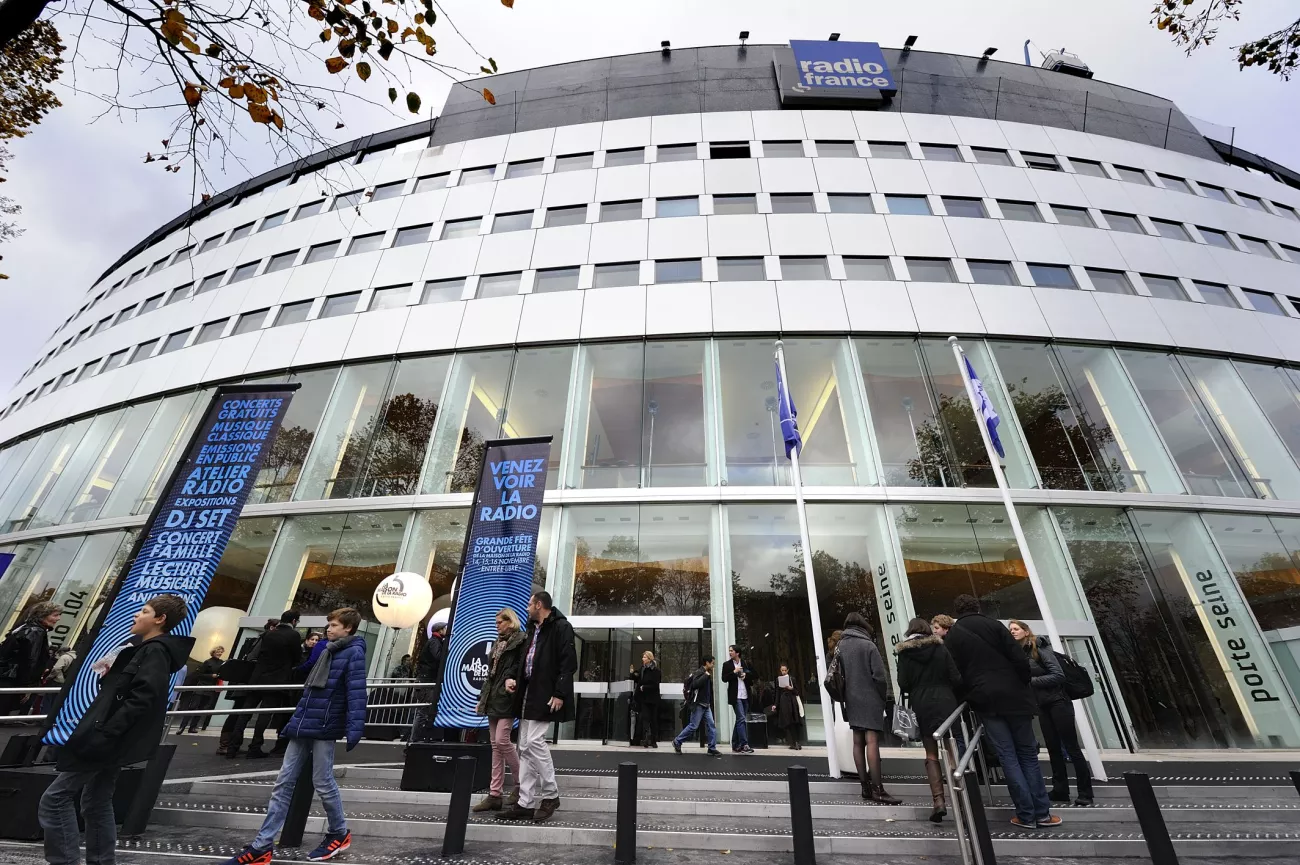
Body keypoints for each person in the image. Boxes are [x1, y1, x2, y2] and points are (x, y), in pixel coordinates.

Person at [40, 595, 191, 865]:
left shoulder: (154, 650)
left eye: (144, 611)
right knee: (96, 801)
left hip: (106, 737)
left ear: (160, 619)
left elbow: (143, 697)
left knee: (56, 798)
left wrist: (107, 733)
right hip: (113, 737)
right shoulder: (147, 648)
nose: (136, 615)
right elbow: (131, 693)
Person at [223, 608, 368, 864]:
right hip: (304, 721)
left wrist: (355, 728)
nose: (329, 629)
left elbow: (356, 692)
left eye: (334, 625)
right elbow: (310, 686)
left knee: (322, 781)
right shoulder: (326, 650)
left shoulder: (353, 652)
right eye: (329, 624)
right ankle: (262, 845)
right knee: (283, 782)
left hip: (324, 724)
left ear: (348, 628)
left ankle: (339, 831)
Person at [944, 595, 1060, 829]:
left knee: (1007, 755)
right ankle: (1043, 813)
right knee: (1027, 754)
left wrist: (969, 693)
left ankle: (1025, 814)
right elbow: (1019, 659)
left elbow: (954, 673)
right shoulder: (995, 625)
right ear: (977, 607)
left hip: (985, 700)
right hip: (1015, 697)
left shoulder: (954, 635)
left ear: (956, 611)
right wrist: (1022, 683)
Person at [499, 591, 576, 824]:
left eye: (529, 604)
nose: (527, 608)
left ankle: (551, 795)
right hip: (528, 694)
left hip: (545, 694)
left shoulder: (562, 627)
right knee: (523, 746)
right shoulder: (533, 629)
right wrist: (512, 677)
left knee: (533, 741)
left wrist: (560, 692)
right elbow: (524, 659)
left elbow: (568, 661)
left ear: (539, 605)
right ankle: (525, 802)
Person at [1008, 620, 1093, 807]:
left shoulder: (1039, 647)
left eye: (1016, 629)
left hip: (1058, 702)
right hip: (1042, 705)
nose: (1012, 632)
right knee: (1053, 749)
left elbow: (1058, 675)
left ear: (1025, 630)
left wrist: (1030, 682)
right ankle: (1060, 789)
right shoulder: (1019, 653)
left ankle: (1085, 793)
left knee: (1072, 748)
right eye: (1011, 630)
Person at [895, 617, 963, 823]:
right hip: (946, 700)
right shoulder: (940, 648)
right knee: (952, 751)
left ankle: (939, 802)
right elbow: (955, 676)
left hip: (922, 702)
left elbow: (903, 683)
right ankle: (961, 800)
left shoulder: (905, 653)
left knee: (931, 753)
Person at [836, 613, 900, 804]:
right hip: (870, 697)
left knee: (858, 741)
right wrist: (882, 697)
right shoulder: (868, 645)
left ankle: (865, 787)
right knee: (872, 741)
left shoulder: (841, 646)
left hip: (851, 698)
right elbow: (879, 677)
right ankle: (878, 789)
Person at [221, 610, 303, 759]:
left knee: (245, 712)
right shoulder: (293, 635)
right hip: (277, 679)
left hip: (257, 677)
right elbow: (297, 657)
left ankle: (233, 746)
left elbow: (255, 654)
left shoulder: (268, 634)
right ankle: (255, 746)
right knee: (265, 714)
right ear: (294, 621)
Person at [472, 607, 526, 813]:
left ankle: (522, 784)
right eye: (496, 623)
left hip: (507, 696)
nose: (497, 626)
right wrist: (482, 699)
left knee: (502, 740)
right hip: (494, 696)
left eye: (500, 622)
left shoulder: (521, 640)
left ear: (510, 621)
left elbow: (518, 669)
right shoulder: (497, 643)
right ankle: (495, 793)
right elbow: (491, 675)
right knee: (495, 745)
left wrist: (511, 681)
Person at [0, 602, 60, 715]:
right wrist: (27, 686)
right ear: (43, 615)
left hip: (8, 677)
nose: (58, 618)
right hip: (12, 679)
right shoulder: (36, 631)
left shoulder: (24, 628)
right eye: (55, 615)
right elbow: (30, 660)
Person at [672, 655, 721, 756]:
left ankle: (711, 748)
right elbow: (695, 684)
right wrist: (706, 675)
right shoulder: (700, 672)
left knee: (711, 726)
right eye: (712, 663)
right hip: (698, 704)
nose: (713, 665)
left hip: (706, 705)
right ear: (707, 663)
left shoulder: (706, 673)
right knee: (693, 726)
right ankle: (677, 741)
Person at [410, 621, 448, 742]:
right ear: (440, 630)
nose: (446, 631)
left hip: (426, 679)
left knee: (425, 711)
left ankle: (418, 739)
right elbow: (438, 657)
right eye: (445, 628)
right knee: (424, 711)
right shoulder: (435, 642)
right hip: (427, 681)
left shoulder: (434, 642)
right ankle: (414, 740)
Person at [179, 646, 226, 734]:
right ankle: (182, 726)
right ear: (213, 652)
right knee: (193, 707)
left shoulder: (222, 663)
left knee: (202, 708)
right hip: (202, 686)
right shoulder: (207, 662)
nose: (219, 653)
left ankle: (192, 727)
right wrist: (211, 676)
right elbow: (199, 674)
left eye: (221, 652)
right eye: (218, 651)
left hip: (210, 687)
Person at [722, 645, 756, 754]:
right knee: (741, 718)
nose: (730, 652)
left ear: (737, 653)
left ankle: (735, 744)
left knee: (739, 720)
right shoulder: (727, 665)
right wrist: (734, 672)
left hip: (745, 695)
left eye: (732, 651)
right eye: (729, 651)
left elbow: (756, 675)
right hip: (735, 696)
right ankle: (744, 744)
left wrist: (746, 675)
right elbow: (724, 678)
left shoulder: (746, 663)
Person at [631, 651, 661, 748]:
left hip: (653, 699)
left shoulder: (656, 670)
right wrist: (632, 673)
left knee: (653, 720)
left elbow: (656, 684)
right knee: (645, 719)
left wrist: (644, 687)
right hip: (644, 699)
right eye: (643, 657)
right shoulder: (642, 669)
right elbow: (637, 679)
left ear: (649, 659)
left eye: (644, 657)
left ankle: (653, 740)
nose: (642, 659)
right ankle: (646, 739)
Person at [774, 663, 803, 750]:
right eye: (782, 670)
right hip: (784, 701)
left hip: (792, 700)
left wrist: (791, 689)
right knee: (787, 721)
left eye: (785, 670)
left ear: (788, 670)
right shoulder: (778, 680)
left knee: (793, 721)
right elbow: (777, 693)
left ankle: (796, 742)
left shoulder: (792, 679)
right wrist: (775, 704)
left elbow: (797, 692)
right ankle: (791, 742)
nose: (783, 672)